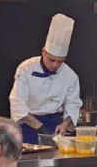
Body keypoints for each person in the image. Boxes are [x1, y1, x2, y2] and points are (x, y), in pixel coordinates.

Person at [9, 13, 81, 145]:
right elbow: (17, 103)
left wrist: (65, 124)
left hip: (55, 125)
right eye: (51, 60)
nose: (55, 65)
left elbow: (73, 104)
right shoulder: (26, 68)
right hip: (28, 124)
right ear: (44, 52)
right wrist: (41, 128)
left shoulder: (70, 76)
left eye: (60, 62)